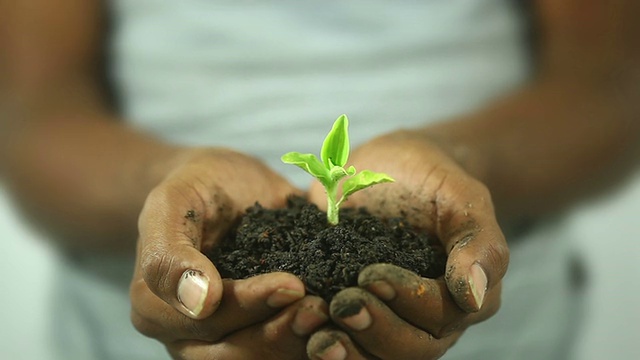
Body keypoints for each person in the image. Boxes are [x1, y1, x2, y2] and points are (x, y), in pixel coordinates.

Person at [1, 0, 639, 359]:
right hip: (135, 315)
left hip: (492, 330)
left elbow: (606, 87)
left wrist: (463, 159)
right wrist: (162, 183)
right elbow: (34, 116)